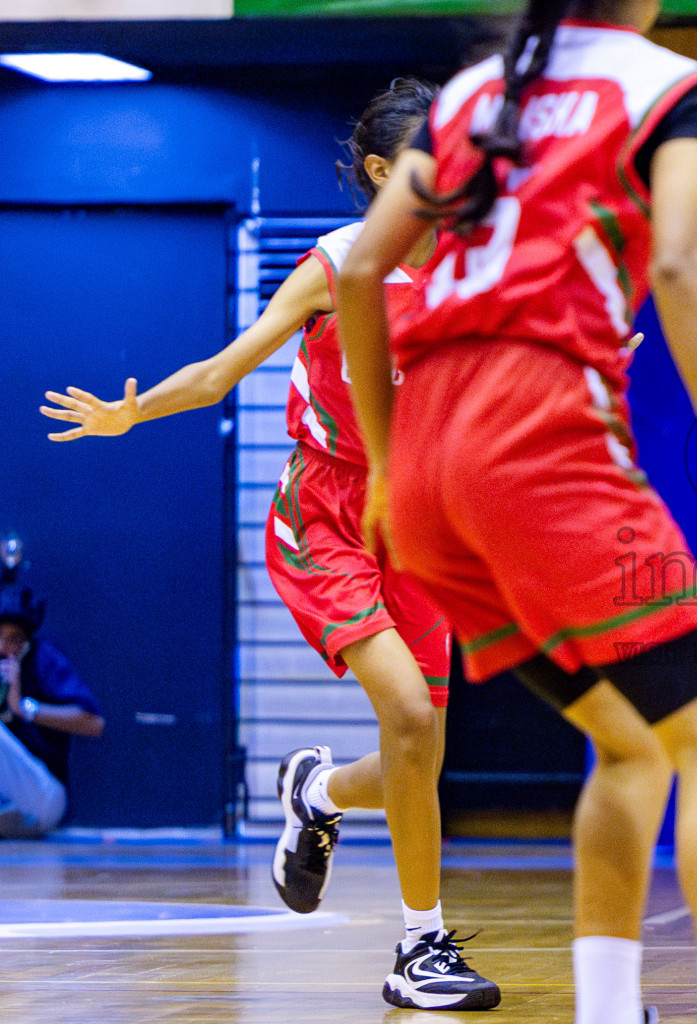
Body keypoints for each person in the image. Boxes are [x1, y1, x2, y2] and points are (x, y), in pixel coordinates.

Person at [334, 3, 697, 1022]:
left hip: (434, 456)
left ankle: (606, 1009)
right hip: (542, 438)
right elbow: (675, 263)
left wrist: (391, 465)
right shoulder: (672, 87)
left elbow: (359, 270)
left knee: (634, 744)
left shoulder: (481, 94)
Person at [37, 80, 500, 1011]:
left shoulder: (475, 267)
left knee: (420, 752)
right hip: (325, 514)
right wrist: (134, 410)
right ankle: (421, 948)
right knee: (409, 721)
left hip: (420, 525)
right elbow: (219, 372)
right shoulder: (335, 266)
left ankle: (317, 792)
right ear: (381, 171)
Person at [0, 580, 104, 838]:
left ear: (25, 640)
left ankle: (22, 818)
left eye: (12, 639)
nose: (2, 647)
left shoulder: (42, 659)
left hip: (44, 794)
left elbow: (94, 723)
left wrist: (24, 708)